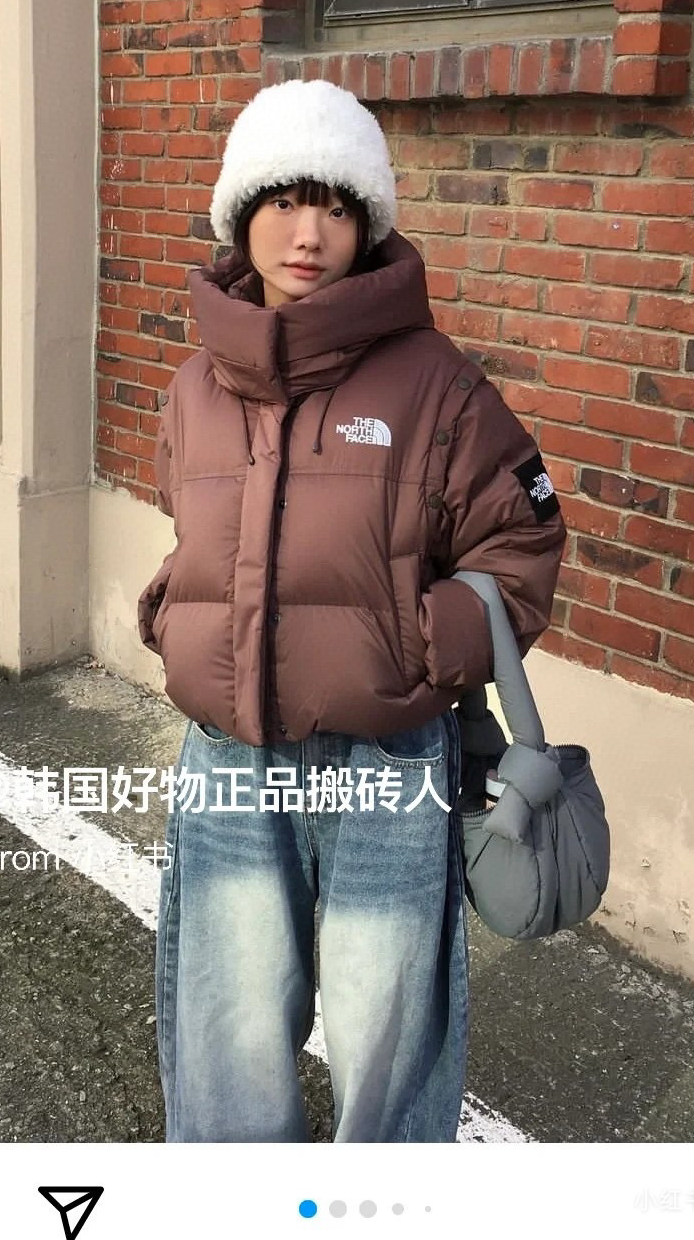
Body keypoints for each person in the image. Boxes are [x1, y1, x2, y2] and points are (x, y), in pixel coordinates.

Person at [138, 79, 566, 1142]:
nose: (308, 232)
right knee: (227, 1043)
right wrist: (172, 608)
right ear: (242, 213)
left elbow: (522, 542)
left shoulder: (438, 384)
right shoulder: (196, 385)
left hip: (388, 765)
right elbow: (192, 526)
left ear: (366, 222)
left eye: (335, 205)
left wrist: (413, 649)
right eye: (284, 200)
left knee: (389, 1050)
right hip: (229, 761)